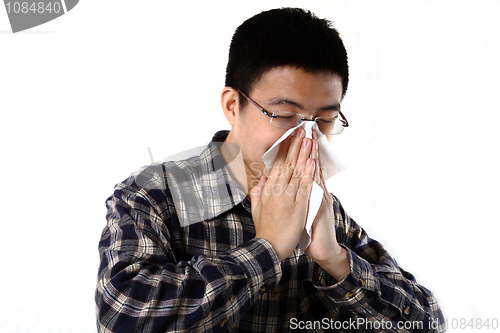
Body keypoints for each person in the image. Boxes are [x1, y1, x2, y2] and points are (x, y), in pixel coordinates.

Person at [95, 7, 445, 332]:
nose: (305, 136)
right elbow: (122, 317)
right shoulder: (154, 194)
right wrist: (268, 249)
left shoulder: (323, 209)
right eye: (283, 115)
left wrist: (336, 260)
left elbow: (427, 322)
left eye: (324, 119)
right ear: (234, 106)